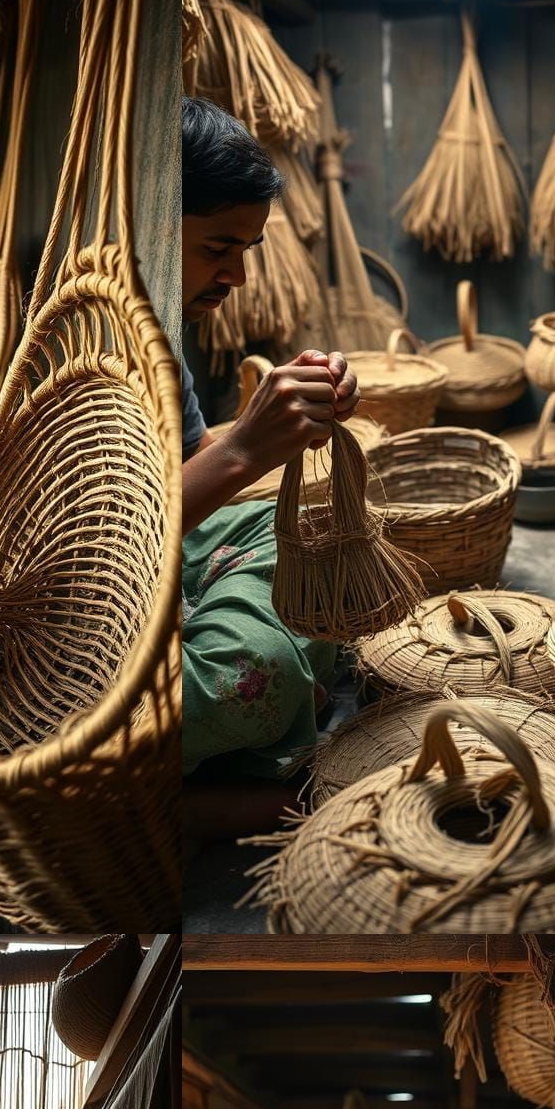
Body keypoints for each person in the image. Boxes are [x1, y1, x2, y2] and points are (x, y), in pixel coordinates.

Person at [181, 98, 359, 809]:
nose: (238, 277)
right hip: (90, 611)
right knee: (260, 673)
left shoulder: (159, 326)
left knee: (318, 537)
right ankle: (186, 805)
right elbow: (95, 553)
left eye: (246, 252)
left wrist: (292, 423)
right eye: (216, 249)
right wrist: (246, 447)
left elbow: (187, 469)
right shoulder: (75, 342)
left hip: (167, 561)